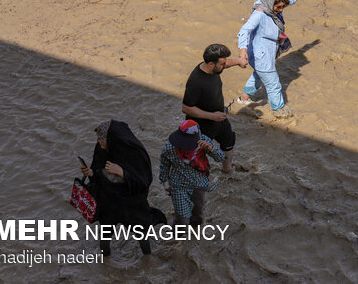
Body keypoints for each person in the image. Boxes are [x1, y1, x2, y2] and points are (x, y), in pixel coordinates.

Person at [80, 120, 167, 256]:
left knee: (142, 235)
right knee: (105, 237)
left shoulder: (134, 153)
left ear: (112, 139)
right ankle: (105, 262)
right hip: (109, 203)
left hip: (131, 204)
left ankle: (148, 260)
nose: (98, 141)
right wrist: (91, 173)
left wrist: (122, 172)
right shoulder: (101, 148)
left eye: (102, 139)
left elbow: (143, 182)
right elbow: (98, 172)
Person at [237, 0, 308, 118]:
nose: (281, 10)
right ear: (271, 3)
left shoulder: (273, 6)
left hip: (265, 53)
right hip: (261, 55)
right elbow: (244, 31)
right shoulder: (260, 14)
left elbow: (288, 0)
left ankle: (244, 98)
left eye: (282, 7)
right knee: (274, 84)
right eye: (278, 7)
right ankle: (279, 111)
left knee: (258, 75)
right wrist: (242, 50)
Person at [182, 43, 246, 174]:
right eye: (222, 64)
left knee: (229, 141)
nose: (225, 65)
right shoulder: (196, 82)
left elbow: (226, 63)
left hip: (219, 119)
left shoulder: (213, 67)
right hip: (202, 126)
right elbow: (186, 108)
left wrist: (239, 61)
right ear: (212, 64)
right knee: (196, 158)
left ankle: (227, 169)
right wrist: (212, 116)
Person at [159, 120, 225, 226]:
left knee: (198, 214)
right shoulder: (169, 147)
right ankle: (178, 237)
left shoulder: (203, 142)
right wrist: (166, 184)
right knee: (182, 216)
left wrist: (210, 149)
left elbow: (221, 158)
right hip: (179, 186)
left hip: (199, 184)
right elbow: (164, 166)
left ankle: (194, 237)